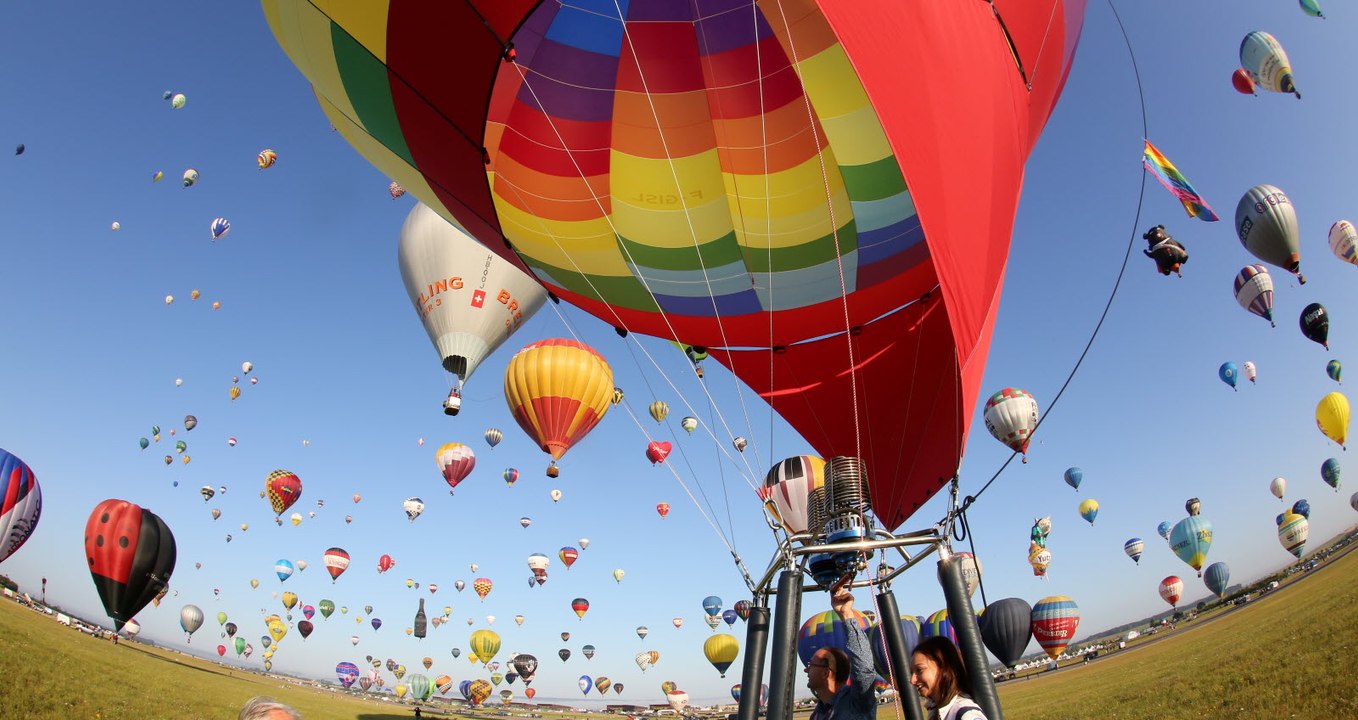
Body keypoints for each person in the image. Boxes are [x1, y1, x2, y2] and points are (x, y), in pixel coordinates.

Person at [805, 588, 876, 720]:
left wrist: (847, 615)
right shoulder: (817, 714)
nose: (806, 669)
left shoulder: (856, 702)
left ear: (826, 672)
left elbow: (864, 671)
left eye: (811, 665)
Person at [910, 636, 986, 720]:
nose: (912, 680)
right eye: (912, 672)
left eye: (919, 670)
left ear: (943, 668)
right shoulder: (937, 711)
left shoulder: (966, 715)